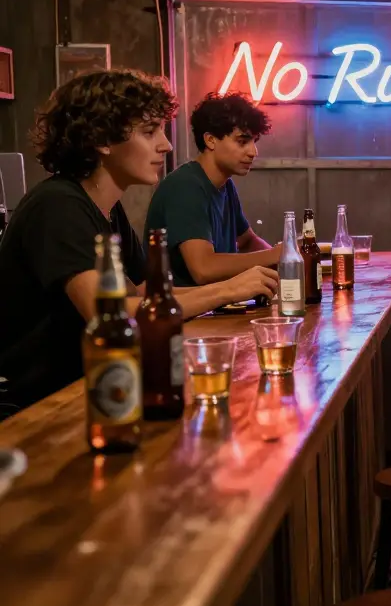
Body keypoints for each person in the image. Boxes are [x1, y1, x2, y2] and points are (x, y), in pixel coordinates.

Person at [0, 71, 279, 420]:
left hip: (92, 387)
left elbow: (147, 296)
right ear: (103, 139)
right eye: (150, 132)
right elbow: (110, 316)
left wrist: (235, 289)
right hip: (32, 408)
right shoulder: (58, 206)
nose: (167, 144)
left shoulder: (107, 209)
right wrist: (227, 290)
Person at [145, 91, 279, 287]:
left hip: (214, 310)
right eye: (242, 141)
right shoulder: (185, 186)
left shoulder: (226, 185)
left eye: (254, 142)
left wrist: (287, 260)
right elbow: (203, 269)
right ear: (210, 140)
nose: (253, 152)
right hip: (180, 313)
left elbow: (247, 242)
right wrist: (274, 255)